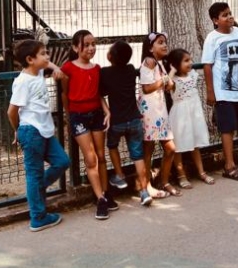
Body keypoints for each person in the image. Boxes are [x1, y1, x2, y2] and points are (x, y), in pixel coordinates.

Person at [7, 39, 71, 232]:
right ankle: (38, 217)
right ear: (30, 59)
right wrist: (17, 130)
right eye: (43, 54)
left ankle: (37, 189)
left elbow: (48, 65)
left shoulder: (39, 71)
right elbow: (11, 111)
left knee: (62, 161)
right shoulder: (22, 82)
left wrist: (55, 67)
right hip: (31, 131)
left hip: (45, 130)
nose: (47, 57)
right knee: (34, 174)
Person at [60, 30, 116, 220]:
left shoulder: (97, 68)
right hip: (78, 117)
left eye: (94, 44)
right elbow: (64, 94)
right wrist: (69, 117)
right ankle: (100, 199)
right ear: (76, 47)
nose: (91, 48)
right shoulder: (67, 68)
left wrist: (106, 110)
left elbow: (98, 93)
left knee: (101, 156)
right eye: (87, 44)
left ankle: (106, 193)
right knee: (90, 159)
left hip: (97, 115)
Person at [202, 2, 238, 181]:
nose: (230, 17)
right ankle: (229, 166)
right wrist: (211, 92)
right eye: (225, 15)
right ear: (215, 20)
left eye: (230, 13)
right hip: (223, 92)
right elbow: (207, 66)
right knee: (227, 128)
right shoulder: (212, 38)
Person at [100, 40, 153, 206]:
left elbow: (102, 92)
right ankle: (144, 192)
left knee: (112, 145)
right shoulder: (131, 70)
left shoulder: (105, 72)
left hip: (117, 120)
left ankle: (119, 174)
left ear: (109, 56)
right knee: (138, 156)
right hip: (134, 119)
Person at [139, 32, 179, 197]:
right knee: (148, 149)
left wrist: (169, 77)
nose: (164, 45)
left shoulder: (160, 64)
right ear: (150, 48)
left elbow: (170, 86)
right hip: (150, 111)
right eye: (160, 42)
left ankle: (163, 181)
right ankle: (147, 186)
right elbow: (147, 88)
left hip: (160, 111)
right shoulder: (149, 62)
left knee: (170, 148)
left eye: (165, 42)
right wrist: (165, 80)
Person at [167, 48, 214, 187]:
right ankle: (181, 176)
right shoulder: (173, 81)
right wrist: (172, 71)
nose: (190, 63)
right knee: (179, 146)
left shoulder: (193, 75)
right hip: (180, 116)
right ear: (176, 64)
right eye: (186, 60)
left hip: (194, 115)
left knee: (195, 145)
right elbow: (166, 85)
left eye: (190, 60)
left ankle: (201, 172)